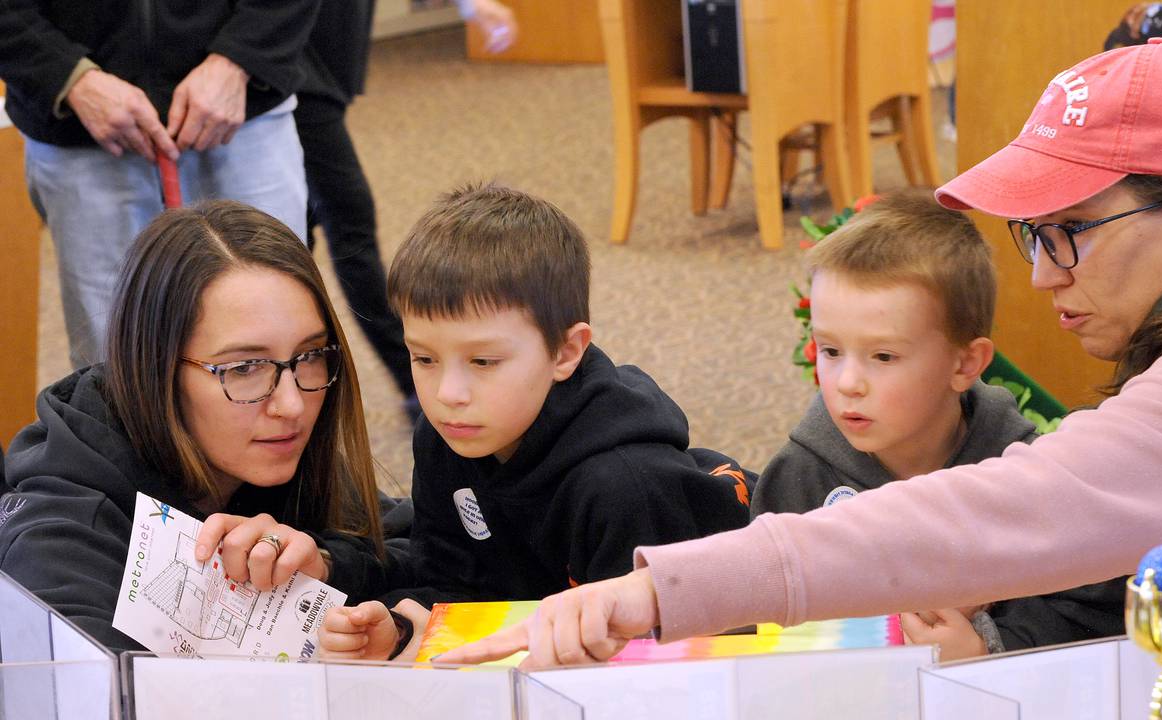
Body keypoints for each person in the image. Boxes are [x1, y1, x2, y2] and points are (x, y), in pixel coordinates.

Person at [447, 38, 1162, 669]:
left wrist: (651, 590)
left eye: (1069, 233)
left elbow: (988, 516)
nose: (1044, 276)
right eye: (1031, 236)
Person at [317, 184, 755, 661]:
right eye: (423, 358)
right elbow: (453, 583)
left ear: (566, 352)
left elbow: (652, 663)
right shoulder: (448, 438)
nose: (447, 394)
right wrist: (403, 624)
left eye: (483, 362)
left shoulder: (625, 486)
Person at [0, 201, 395, 652]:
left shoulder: (256, 450)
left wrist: (327, 567)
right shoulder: (63, 534)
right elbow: (104, 710)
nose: (292, 404)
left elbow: (433, 557)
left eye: (309, 356)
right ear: (155, 371)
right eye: (245, 367)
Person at [750, 189, 1124, 658]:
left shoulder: (1027, 481)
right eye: (830, 350)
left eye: (883, 356)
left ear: (965, 365)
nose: (847, 383)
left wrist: (988, 648)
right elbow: (769, 628)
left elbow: (1088, 618)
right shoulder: (796, 478)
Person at [0, 0, 315, 368]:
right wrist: (69, 76)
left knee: (277, 335)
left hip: (241, 115)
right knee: (115, 361)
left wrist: (240, 58)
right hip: (83, 135)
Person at [294, 0, 519, 420]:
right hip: (292, 79)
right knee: (346, 226)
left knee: (297, 231)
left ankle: (294, 370)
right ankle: (409, 377)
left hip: (316, 71)